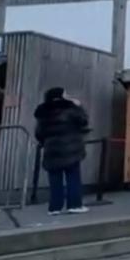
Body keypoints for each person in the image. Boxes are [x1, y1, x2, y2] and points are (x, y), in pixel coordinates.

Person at [34, 87, 91, 215]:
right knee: (73, 177)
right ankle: (74, 205)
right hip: (71, 149)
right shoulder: (70, 108)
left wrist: (46, 142)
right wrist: (79, 106)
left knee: (55, 179)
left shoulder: (44, 112)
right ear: (62, 96)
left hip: (51, 150)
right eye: (66, 94)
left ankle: (55, 207)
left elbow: (39, 133)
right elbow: (83, 121)